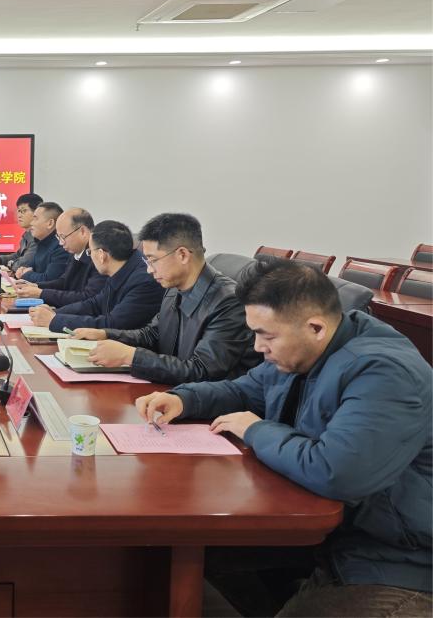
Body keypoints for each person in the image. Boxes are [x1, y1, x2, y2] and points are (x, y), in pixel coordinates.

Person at [135, 260, 432, 617]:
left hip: (399, 559)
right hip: (331, 535)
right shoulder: (303, 351)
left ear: (315, 327)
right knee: (193, 552)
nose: (258, 347)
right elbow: (244, 389)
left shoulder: (384, 371)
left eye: (267, 336)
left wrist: (255, 429)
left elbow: (336, 471)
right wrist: (184, 399)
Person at [70, 212, 259, 384]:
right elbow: (152, 334)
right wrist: (106, 334)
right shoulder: (174, 287)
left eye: (153, 260)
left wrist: (131, 356)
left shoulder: (229, 302)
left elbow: (201, 371)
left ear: (182, 255)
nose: (149, 269)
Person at [30, 220, 164, 333]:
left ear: (101, 255)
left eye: (90, 251)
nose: (89, 256)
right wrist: (56, 312)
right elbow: (95, 304)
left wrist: (55, 320)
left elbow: (113, 324)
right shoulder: (120, 268)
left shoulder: (144, 280)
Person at [14, 207, 106, 307]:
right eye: (58, 237)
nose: (61, 243)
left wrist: (41, 294)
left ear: (82, 231)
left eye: (63, 237)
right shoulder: (75, 252)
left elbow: (87, 298)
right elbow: (64, 282)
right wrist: (36, 286)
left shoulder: (99, 256)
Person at [0, 192, 43, 269]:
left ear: (36, 212)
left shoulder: (38, 236)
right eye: (18, 211)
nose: (19, 215)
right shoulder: (27, 235)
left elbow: (24, 263)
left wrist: (11, 264)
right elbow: (18, 255)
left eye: (24, 211)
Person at [12, 202, 71, 285]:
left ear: (50, 223)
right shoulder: (40, 242)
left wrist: (26, 274)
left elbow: (49, 280)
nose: (31, 223)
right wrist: (22, 270)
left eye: (35, 219)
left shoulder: (61, 246)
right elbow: (30, 268)